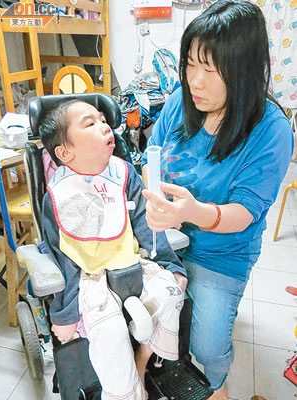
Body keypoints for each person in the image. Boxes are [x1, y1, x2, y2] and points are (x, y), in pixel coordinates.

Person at [141, 1, 294, 399]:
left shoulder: (270, 130)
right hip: (163, 239)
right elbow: (151, 156)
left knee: (207, 345)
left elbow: (243, 213)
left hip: (219, 252)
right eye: (191, 64)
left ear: (243, 69)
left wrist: (191, 213)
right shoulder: (181, 100)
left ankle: (216, 384)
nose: (195, 81)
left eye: (210, 70)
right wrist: (155, 197)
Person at [40, 99, 187, 400]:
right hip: (91, 278)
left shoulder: (123, 173)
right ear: (66, 152)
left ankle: (143, 361)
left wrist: (172, 267)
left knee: (173, 292)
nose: (104, 124)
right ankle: (128, 393)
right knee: (111, 334)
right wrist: (65, 315)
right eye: (90, 123)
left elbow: (147, 226)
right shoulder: (59, 194)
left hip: (133, 263)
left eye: (102, 119)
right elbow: (62, 257)